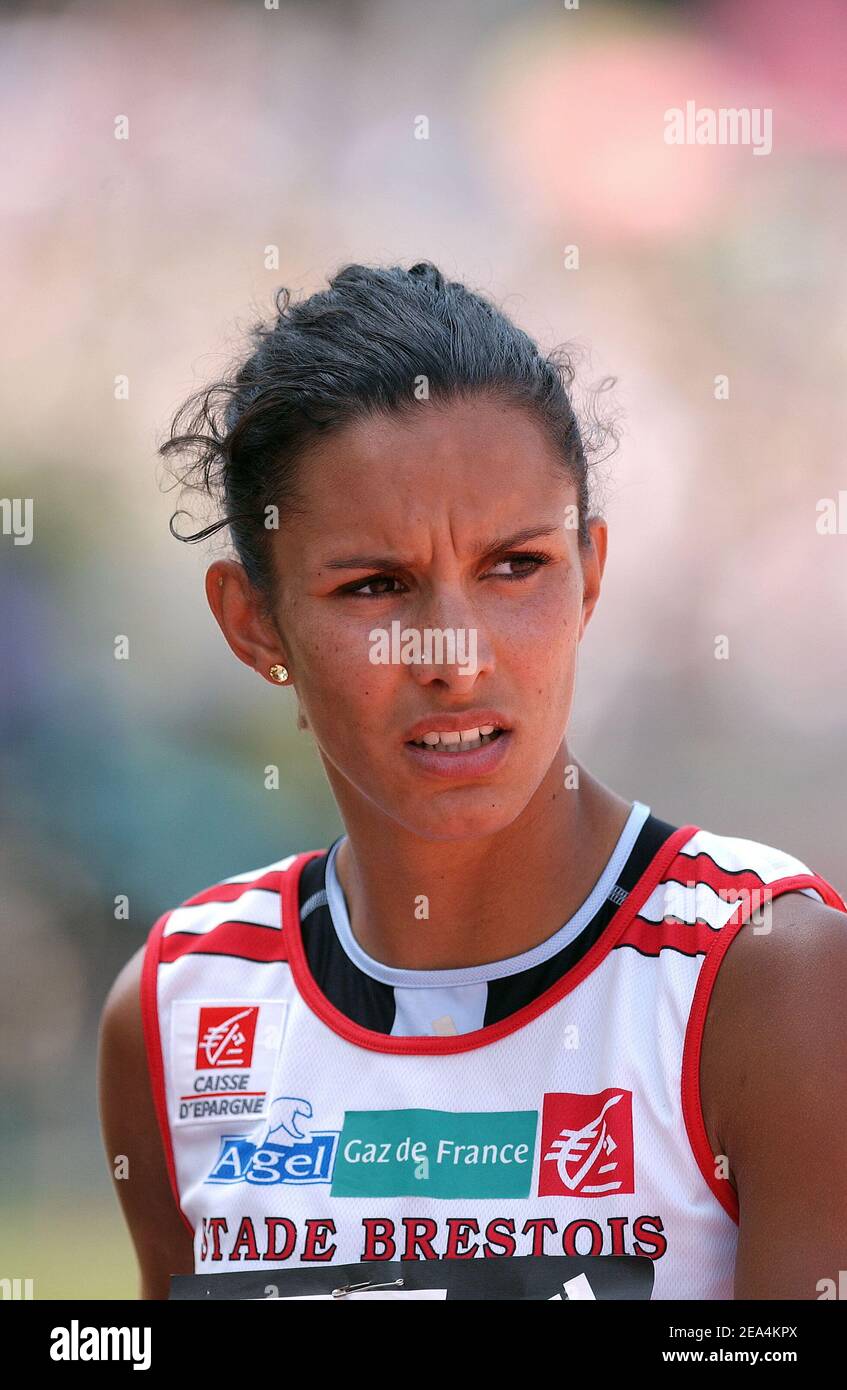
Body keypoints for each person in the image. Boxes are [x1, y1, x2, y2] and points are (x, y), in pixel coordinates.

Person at [98, 262, 847, 1300]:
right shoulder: (182, 1007)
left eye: (514, 566)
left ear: (589, 572)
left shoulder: (769, 978)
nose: (456, 652)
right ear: (253, 622)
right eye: (375, 585)